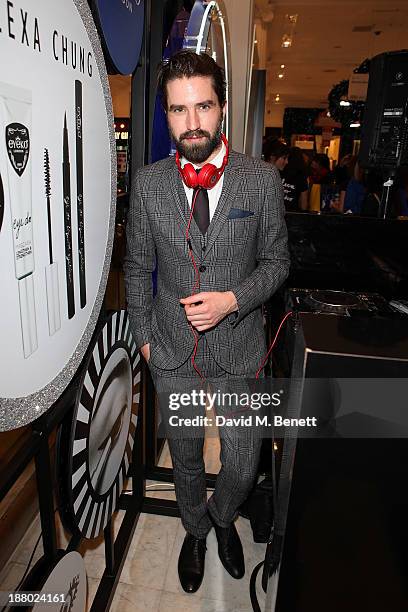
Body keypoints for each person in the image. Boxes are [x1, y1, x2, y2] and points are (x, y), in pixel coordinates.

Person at [124, 50, 289, 594]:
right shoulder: (148, 185)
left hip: (241, 351)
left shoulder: (260, 181)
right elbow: (138, 266)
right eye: (178, 110)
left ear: (222, 108)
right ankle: (197, 530)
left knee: (243, 461)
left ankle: (223, 518)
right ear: (166, 115)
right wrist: (145, 341)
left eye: (202, 107)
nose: (191, 123)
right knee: (188, 458)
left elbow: (277, 264)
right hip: (171, 355)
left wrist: (232, 300)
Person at [281, 146, 309, 211]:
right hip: (292, 213)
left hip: (277, 211)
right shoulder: (301, 177)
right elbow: (303, 204)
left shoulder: (279, 171)